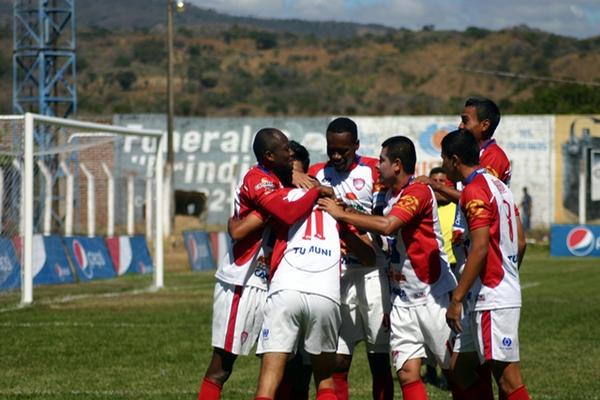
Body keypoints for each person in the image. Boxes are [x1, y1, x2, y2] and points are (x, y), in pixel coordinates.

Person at [319, 136, 457, 400]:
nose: (377, 166)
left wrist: (341, 214)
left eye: (381, 160)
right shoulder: (387, 194)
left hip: (433, 295)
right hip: (402, 299)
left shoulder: (417, 191)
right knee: (406, 373)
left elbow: (388, 226)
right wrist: (349, 210)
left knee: (456, 371)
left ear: (396, 164)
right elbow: (379, 224)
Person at [198, 129, 329, 400]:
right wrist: (315, 192)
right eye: (284, 149)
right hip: (243, 282)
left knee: (283, 363)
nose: (289, 152)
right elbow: (286, 212)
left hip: (276, 282)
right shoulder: (258, 179)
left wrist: (298, 179)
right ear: (269, 156)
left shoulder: (280, 178)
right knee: (222, 366)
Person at [254, 159, 377, 400]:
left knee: (269, 380)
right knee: (325, 379)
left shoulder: (283, 197)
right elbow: (369, 256)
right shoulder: (334, 207)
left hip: (285, 290)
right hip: (325, 294)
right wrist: (342, 219)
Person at [308, 117, 393, 400]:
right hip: (338, 275)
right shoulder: (317, 173)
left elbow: (383, 221)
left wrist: (346, 214)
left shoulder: (373, 171)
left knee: (378, 359)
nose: (335, 156)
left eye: (342, 150)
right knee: (338, 360)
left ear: (355, 146)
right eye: (331, 149)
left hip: (373, 274)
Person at [441, 130, 530, 400]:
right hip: (488, 294)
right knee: (459, 369)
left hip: (491, 298)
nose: (443, 166)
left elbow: (479, 247)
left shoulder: (473, 190)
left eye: (444, 159)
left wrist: (456, 298)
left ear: (455, 160)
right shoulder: (498, 186)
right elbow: (522, 242)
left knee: (508, 381)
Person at [422, 167, 456, 389]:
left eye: (441, 181)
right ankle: (430, 368)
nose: (436, 185)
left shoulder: (455, 208)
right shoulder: (424, 208)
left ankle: (448, 369)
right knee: (427, 321)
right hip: (429, 272)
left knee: (450, 323)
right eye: (432, 180)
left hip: (452, 271)